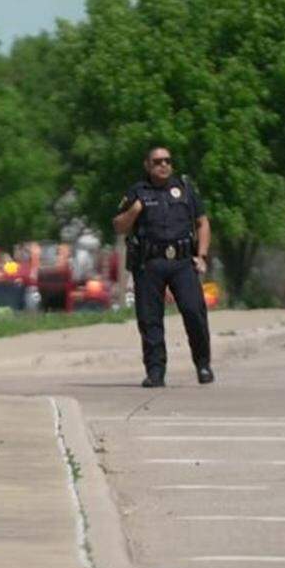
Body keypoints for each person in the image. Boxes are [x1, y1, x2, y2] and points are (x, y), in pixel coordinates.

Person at [113, 146, 214, 387]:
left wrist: (202, 255)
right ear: (147, 165)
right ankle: (155, 371)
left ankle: (203, 364)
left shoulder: (185, 189)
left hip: (182, 262)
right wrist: (135, 210)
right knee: (150, 320)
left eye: (167, 161)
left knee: (194, 311)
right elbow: (118, 226)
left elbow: (202, 223)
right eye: (157, 161)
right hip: (149, 263)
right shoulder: (138, 192)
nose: (163, 165)